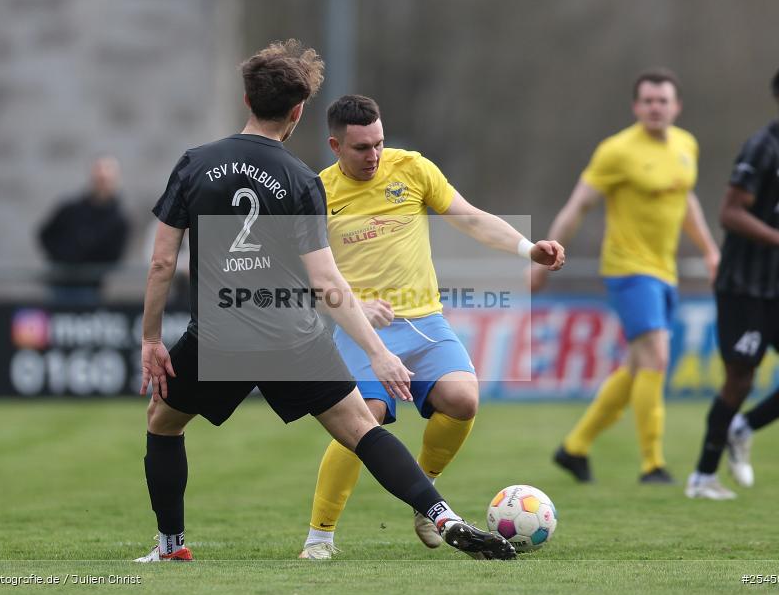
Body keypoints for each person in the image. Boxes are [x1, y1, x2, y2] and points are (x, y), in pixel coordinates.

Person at [134, 40, 515, 562]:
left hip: (220, 335)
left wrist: (152, 338)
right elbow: (325, 281)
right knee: (361, 428)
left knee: (163, 421)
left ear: (248, 100)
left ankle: (172, 546)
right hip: (293, 335)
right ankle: (441, 516)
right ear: (297, 112)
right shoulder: (300, 180)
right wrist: (377, 352)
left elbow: (160, 264)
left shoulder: (195, 165)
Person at [298, 94, 565, 560]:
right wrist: (357, 305)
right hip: (360, 332)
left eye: (378, 143)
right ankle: (320, 538)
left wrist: (528, 249)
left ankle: (426, 498)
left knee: (463, 400)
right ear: (335, 145)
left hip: (424, 322)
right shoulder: (316, 194)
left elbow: (471, 219)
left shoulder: (413, 169)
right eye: (361, 147)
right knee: (364, 420)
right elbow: (307, 279)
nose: (374, 155)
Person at [530, 69, 721, 485]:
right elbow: (577, 206)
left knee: (638, 367)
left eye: (663, 100)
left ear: (676, 106)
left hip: (664, 272)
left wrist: (709, 250)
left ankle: (574, 448)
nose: (656, 107)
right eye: (648, 100)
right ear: (637, 107)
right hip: (629, 270)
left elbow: (686, 201)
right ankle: (653, 465)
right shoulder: (616, 151)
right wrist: (541, 260)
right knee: (656, 357)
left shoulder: (686, 145)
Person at [686, 64, 779, 500]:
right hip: (744, 286)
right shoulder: (761, 148)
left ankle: (745, 428)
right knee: (739, 380)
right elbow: (730, 213)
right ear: (778, 96)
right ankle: (703, 476)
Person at [38, 155, 130, 305]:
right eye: (99, 179)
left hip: (90, 287)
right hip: (60, 282)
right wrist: (61, 256)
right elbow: (46, 234)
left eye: (106, 180)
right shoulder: (70, 209)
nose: (102, 184)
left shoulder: (119, 220)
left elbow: (115, 256)